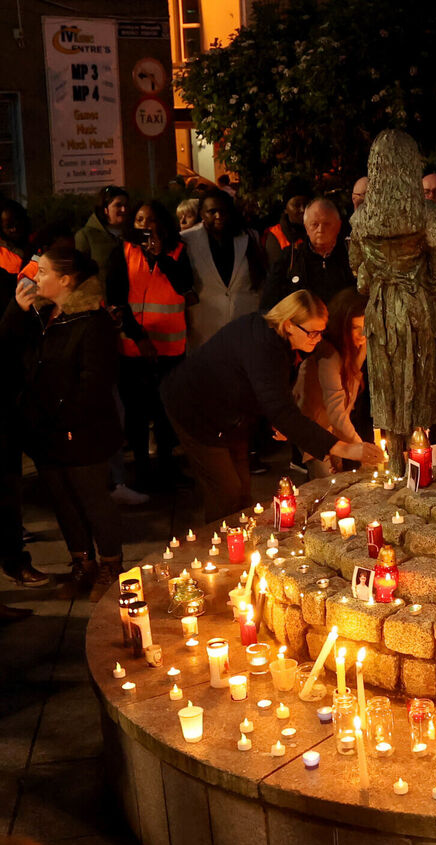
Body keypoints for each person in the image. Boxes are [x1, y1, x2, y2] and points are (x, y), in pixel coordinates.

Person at [162, 290, 384, 521]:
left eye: (321, 332)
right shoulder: (262, 346)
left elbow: (270, 391)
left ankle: (236, 535)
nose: (318, 339)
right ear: (289, 325)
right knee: (226, 491)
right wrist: (345, 448)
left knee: (241, 489)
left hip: (232, 417)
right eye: (313, 332)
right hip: (196, 412)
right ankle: (219, 545)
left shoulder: (278, 337)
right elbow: (281, 408)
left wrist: (273, 420)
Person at [3, 247, 125, 601]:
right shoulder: (39, 315)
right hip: (43, 430)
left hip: (80, 431)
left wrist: (65, 419)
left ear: (66, 280)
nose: (33, 277)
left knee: (91, 500)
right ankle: (82, 564)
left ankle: (111, 567)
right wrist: (16, 310)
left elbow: (94, 383)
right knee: (63, 502)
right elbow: (6, 348)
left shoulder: (92, 321)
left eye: (42, 272)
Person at [349, 129, 436, 456]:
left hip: (381, 309)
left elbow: (360, 274)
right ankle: (420, 466)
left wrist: (378, 279)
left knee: (388, 386)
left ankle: (395, 464)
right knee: (420, 383)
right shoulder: (428, 214)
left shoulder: (362, 218)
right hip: (418, 305)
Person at [106, 201, 193, 489]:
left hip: (171, 348)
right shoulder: (123, 252)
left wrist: (161, 257)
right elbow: (116, 298)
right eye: (140, 219)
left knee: (166, 411)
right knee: (137, 414)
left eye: (152, 219)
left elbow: (185, 286)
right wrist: (138, 337)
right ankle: (142, 472)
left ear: (163, 225)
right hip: (134, 349)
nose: (145, 225)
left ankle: (168, 467)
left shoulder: (177, 251)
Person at [293, 288, 367, 478]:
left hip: (333, 429)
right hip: (312, 429)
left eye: (365, 328)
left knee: (337, 480)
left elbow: (349, 388)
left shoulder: (354, 348)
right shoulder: (329, 356)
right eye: (355, 328)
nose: (361, 335)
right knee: (327, 484)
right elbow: (336, 412)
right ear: (342, 325)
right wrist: (361, 449)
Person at [183, 190, 265, 350]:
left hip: (243, 323)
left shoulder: (249, 236)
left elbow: (260, 279)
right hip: (204, 326)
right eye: (212, 211)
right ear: (201, 213)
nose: (219, 216)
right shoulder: (187, 240)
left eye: (223, 211)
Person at [261, 198, 355, 309]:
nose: (321, 229)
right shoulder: (291, 259)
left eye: (327, 224)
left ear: (338, 226)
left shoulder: (351, 257)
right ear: (306, 227)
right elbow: (268, 306)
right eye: (315, 224)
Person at [74, 185, 129, 291]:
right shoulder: (86, 236)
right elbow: (80, 274)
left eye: (126, 205)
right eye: (118, 205)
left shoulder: (131, 235)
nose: (123, 209)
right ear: (105, 209)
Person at [262, 177, 312, 269]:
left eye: (306, 204)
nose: (303, 210)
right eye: (296, 205)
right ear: (285, 209)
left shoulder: (319, 230)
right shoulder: (275, 235)